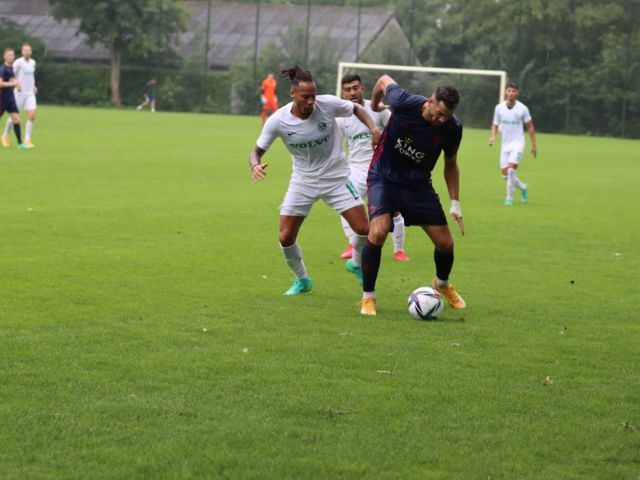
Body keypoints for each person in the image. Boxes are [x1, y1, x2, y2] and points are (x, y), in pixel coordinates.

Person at [249, 65, 380, 296]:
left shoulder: (327, 104)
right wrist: (255, 165)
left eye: (313, 95)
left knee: (363, 230)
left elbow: (357, 108)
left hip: (337, 178)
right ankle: (302, 280)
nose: (311, 101)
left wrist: (373, 128)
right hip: (303, 181)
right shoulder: (278, 120)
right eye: (305, 97)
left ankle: (356, 263)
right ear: (293, 94)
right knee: (285, 237)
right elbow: (256, 151)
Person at [359, 74, 466, 316]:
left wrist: (455, 203)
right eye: (439, 113)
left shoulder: (452, 129)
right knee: (378, 232)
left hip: (418, 186)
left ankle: (441, 284)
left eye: (447, 116)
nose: (441, 120)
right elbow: (383, 80)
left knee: (446, 244)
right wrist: (374, 105)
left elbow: (451, 164)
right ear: (430, 101)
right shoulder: (403, 102)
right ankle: (368, 298)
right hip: (383, 177)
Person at [336, 73, 410, 263]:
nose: (352, 92)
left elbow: (397, 129)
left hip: (381, 168)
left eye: (355, 88)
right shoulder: (341, 116)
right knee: (347, 204)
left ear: (362, 89)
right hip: (355, 169)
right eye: (347, 90)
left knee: (394, 210)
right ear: (343, 93)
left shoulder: (377, 109)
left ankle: (399, 250)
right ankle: (352, 244)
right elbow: (336, 144)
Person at [488, 82, 537, 206]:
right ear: (506, 92)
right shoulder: (499, 108)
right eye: (509, 91)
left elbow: (530, 126)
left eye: (513, 91)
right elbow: (495, 124)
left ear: (517, 93)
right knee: (506, 175)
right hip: (505, 145)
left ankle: (509, 198)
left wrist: (533, 144)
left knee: (511, 171)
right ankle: (523, 187)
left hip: (518, 143)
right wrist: (493, 136)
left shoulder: (523, 108)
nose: (511, 93)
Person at [3, 43, 37, 148]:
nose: (27, 52)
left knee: (32, 116)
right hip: (19, 93)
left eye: (29, 50)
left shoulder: (33, 62)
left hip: (30, 93)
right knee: (14, 116)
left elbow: (30, 76)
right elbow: (10, 74)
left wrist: (33, 85)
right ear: (22, 52)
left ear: (31, 51)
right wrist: (16, 84)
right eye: (25, 50)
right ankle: (5, 135)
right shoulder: (18, 62)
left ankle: (27, 140)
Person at [0, 48, 30, 150]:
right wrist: (13, 83)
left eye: (12, 55)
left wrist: (18, 85)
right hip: (2, 98)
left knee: (16, 119)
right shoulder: (2, 69)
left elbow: (12, 80)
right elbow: (0, 83)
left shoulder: (11, 68)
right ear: (4, 56)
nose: (11, 57)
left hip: (11, 98)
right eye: (8, 55)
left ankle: (20, 144)